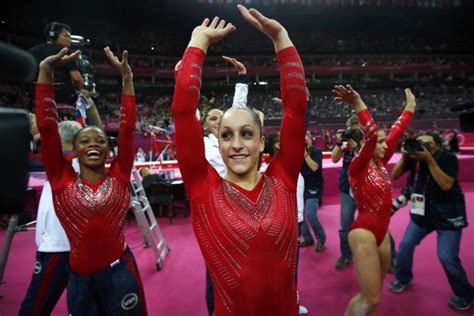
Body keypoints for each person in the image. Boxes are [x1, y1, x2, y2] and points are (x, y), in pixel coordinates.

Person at [171, 5, 307, 316]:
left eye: (246, 134)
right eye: (226, 136)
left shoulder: (283, 177)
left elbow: (296, 109)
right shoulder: (203, 188)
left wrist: (281, 39)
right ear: (217, 144)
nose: (236, 145)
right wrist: (198, 43)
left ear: (262, 142)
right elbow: (182, 113)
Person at [35, 46, 147, 315]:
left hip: (120, 274)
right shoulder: (62, 180)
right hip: (79, 281)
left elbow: (127, 128)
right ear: (75, 149)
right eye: (85, 141)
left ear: (108, 150)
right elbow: (47, 129)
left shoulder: (119, 176)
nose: (93, 144)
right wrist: (45, 72)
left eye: (100, 141)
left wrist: (128, 81)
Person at [332, 85, 415, 316]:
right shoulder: (358, 167)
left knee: (374, 300)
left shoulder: (379, 163)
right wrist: (358, 102)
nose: (386, 144)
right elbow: (371, 134)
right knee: (370, 296)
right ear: (364, 146)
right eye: (380, 142)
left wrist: (409, 108)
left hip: (382, 235)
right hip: (364, 232)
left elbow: (396, 133)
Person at [388, 131, 473, 311]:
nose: (423, 147)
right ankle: (403, 278)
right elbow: (394, 176)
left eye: (428, 144)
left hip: (448, 214)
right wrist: (405, 156)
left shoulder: (448, 158)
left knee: (447, 257)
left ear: (438, 146)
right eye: (420, 144)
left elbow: (446, 185)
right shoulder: (413, 159)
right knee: (405, 246)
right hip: (422, 212)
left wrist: (430, 160)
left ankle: (465, 294)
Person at [19, 120, 81, 316]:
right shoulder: (72, 162)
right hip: (65, 244)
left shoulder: (66, 161)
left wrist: (34, 132)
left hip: (58, 248)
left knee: (35, 306)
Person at [331, 115, 360, 270]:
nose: (354, 131)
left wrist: (357, 146)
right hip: (346, 188)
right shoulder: (344, 142)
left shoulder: (368, 141)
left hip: (365, 189)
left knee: (375, 222)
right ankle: (346, 255)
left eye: (357, 128)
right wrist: (340, 141)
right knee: (345, 226)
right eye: (351, 128)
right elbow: (334, 159)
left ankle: (391, 255)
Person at [30, 22, 83, 99]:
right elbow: (77, 79)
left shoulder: (33, 50)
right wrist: (78, 92)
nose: (69, 40)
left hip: (35, 96)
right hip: (62, 98)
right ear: (53, 35)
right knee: (89, 102)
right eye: (66, 36)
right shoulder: (65, 52)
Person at [299, 131, 326, 252]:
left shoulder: (316, 152)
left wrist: (304, 154)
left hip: (314, 188)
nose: (305, 139)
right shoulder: (297, 153)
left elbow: (314, 167)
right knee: (301, 216)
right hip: (301, 188)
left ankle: (321, 238)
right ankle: (308, 238)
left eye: (307, 137)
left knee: (310, 214)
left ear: (310, 138)